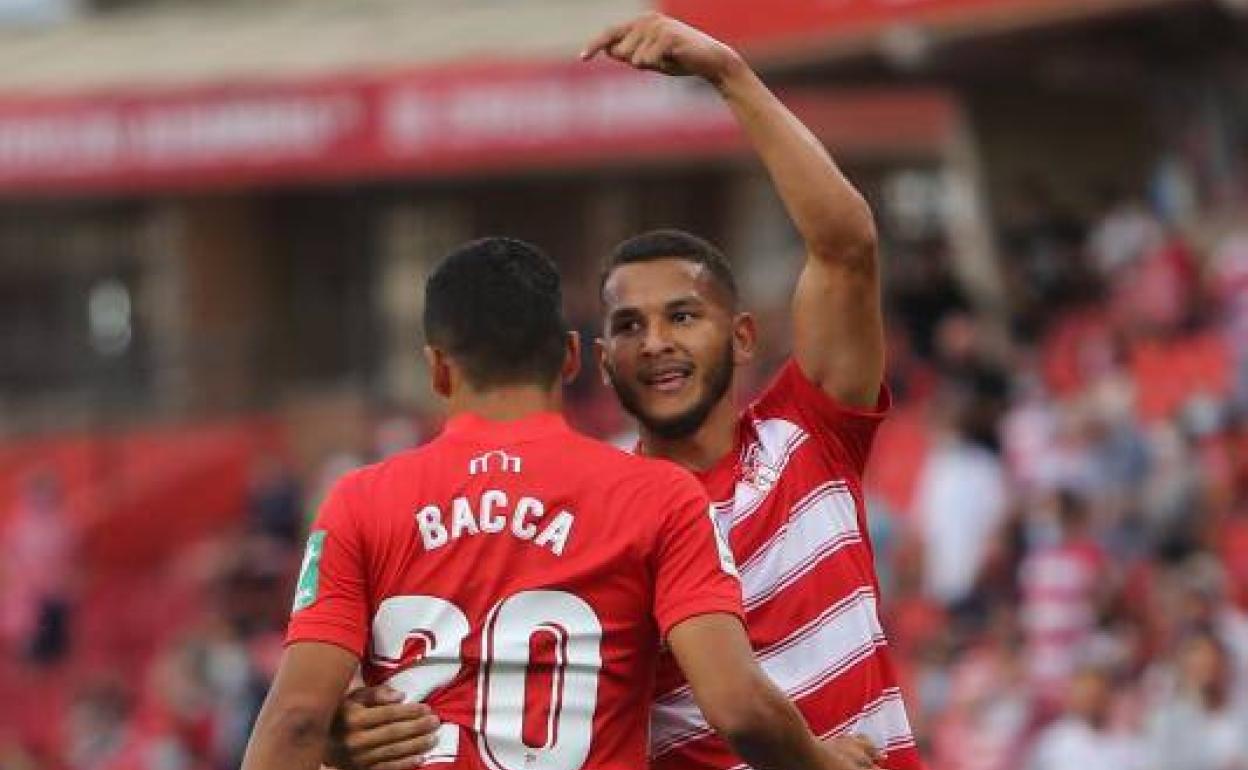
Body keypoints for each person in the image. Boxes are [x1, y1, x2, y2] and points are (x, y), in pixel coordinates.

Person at [336, 13, 920, 770]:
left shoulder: (810, 435)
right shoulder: (585, 511)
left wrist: (729, 76)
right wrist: (342, 737)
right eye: (629, 326)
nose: (656, 343)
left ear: (743, 336)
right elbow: (489, 680)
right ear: (600, 360)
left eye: (683, 315)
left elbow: (846, 247)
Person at [240, 237, 874, 770]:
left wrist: (331, 740)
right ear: (572, 357)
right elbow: (738, 707)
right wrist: (821, 762)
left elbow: (296, 718)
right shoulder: (657, 496)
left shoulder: (358, 501)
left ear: (437, 369)